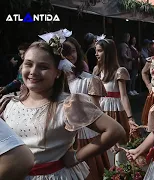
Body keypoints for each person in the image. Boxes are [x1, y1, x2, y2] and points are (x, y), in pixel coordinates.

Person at [0, 40, 125, 179]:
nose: (33, 72)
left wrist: (77, 156)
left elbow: (115, 131)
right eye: (28, 64)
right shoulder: (9, 103)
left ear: (57, 73)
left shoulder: (68, 104)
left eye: (43, 67)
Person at [62, 36, 110, 180]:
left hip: (85, 136)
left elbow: (96, 112)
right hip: (60, 138)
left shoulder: (89, 79)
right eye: (64, 52)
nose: (70, 56)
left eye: (73, 51)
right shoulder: (51, 83)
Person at [93, 38, 138, 167]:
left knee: (119, 146)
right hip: (100, 110)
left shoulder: (119, 71)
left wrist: (130, 117)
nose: (96, 54)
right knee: (102, 145)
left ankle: (119, 173)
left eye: (99, 51)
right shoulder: (96, 70)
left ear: (108, 53)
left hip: (115, 110)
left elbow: (123, 96)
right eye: (96, 51)